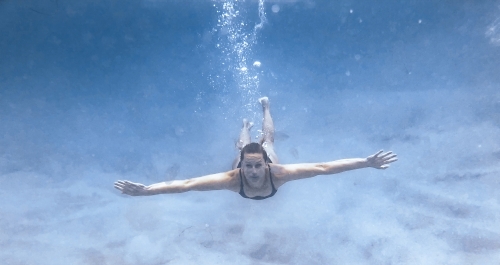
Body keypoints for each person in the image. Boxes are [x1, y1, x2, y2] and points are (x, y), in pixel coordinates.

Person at [114, 97, 397, 199]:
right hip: (243, 157)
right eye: (247, 165)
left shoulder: (280, 172)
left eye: (256, 165)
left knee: (268, 140)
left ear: (265, 165)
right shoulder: (232, 178)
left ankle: (266, 108)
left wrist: (366, 162)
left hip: (270, 155)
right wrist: (148, 191)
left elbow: (323, 168)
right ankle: (245, 125)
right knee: (241, 143)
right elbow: (187, 184)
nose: (250, 171)